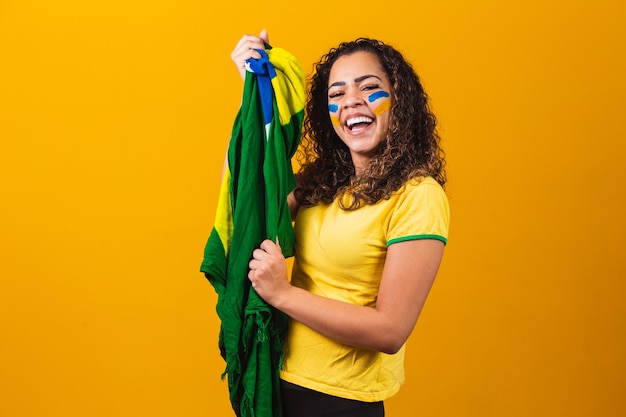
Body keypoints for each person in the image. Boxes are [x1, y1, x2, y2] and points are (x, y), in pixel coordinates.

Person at [230, 29, 450, 417]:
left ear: (399, 100)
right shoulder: (321, 179)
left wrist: (282, 294)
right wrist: (255, 96)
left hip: (340, 402)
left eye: (369, 88)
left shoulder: (419, 195)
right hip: (278, 381)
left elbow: (390, 330)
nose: (351, 102)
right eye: (337, 94)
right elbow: (246, 207)